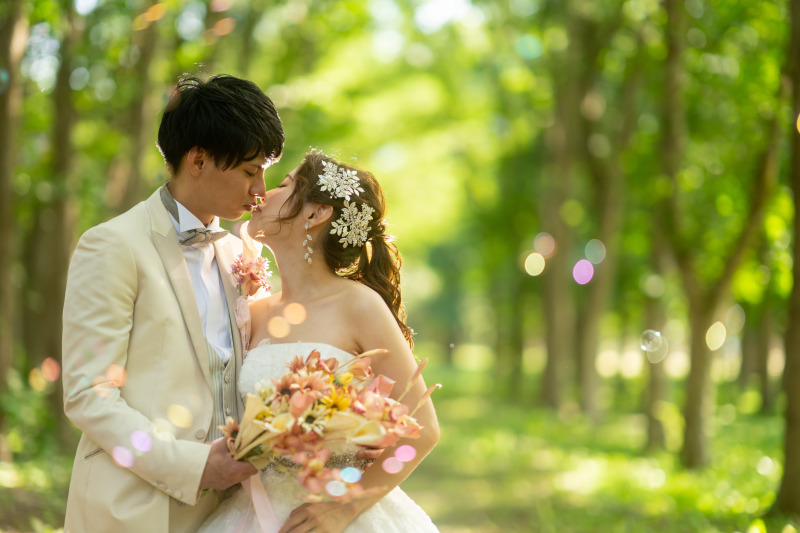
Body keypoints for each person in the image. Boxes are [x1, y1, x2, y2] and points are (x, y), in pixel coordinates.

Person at [61, 74, 285, 533]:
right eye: (249, 170)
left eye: (264, 170)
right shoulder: (111, 245)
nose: (260, 188)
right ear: (198, 159)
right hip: (136, 508)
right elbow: (88, 395)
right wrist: (194, 466)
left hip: (232, 511)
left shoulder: (244, 254)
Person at [198, 151, 440, 533]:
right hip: (248, 511)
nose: (262, 192)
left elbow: (424, 430)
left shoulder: (358, 305)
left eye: (282, 185)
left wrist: (344, 509)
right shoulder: (253, 311)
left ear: (315, 214)